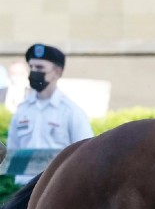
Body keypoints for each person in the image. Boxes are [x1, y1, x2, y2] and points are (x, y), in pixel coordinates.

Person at [6, 44, 94, 185]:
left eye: (40, 68)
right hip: (23, 189)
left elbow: (87, 154)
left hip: (55, 190)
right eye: (32, 67)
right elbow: (12, 153)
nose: (34, 72)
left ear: (57, 72)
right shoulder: (22, 110)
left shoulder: (71, 112)